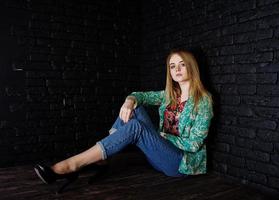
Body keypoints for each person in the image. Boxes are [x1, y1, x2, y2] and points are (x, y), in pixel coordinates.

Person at [34, 49, 214, 189]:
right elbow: (139, 96)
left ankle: (71, 165)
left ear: (191, 66)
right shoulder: (170, 95)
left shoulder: (203, 100)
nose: (177, 70)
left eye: (182, 64)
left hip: (179, 164)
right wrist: (129, 101)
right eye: (172, 66)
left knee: (136, 126)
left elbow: (195, 144)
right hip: (157, 156)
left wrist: (161, 137)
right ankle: (103, 157)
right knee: (136, 109)